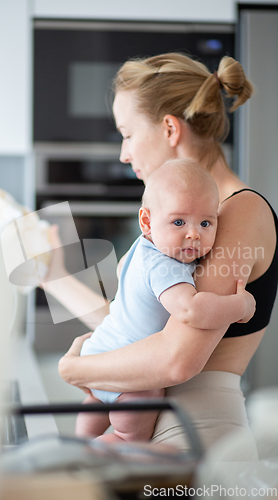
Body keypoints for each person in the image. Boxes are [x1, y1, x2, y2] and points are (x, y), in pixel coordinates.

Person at [44, 53, 278, 455]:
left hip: (197, 433)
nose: (124, 153)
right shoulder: (173, 232)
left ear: (169, 128)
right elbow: (137, 324)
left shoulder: (240, 211)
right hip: (158, 421)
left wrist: (76, 370)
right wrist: (54, 278)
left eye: (128, 134)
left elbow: (175, 358)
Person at [76, 159, 255, 443]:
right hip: (134, 378)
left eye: (206, 222)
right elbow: (191, 310)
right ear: (147, 221)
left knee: (84, 434)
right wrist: (240, 306)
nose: (194, 233)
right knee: (128, 441)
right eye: (179, 222)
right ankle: (93, 452)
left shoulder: (140, 249)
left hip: (100, 354)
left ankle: (77, 446)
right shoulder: (165, 266)